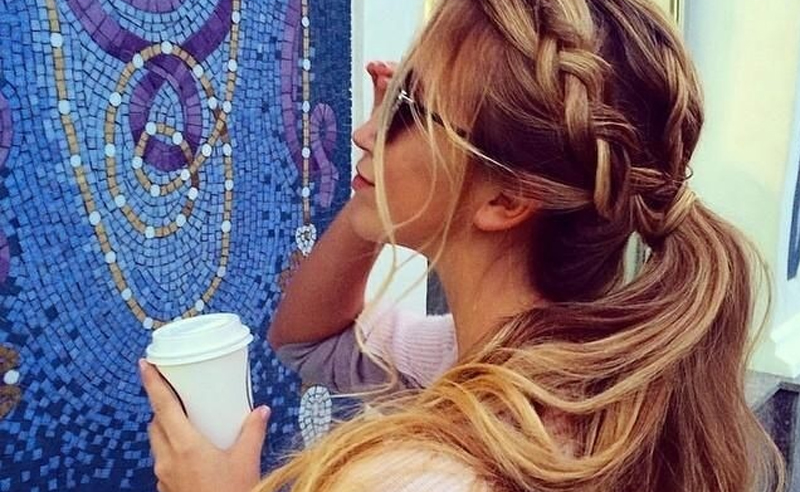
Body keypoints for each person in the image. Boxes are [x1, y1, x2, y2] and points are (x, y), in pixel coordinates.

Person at [140, 0, 787, 490]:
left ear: (507, 200)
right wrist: (379, 189)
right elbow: (311, 343)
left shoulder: (415, 476)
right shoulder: (585, 374)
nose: (365, 132)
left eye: (406, 106)